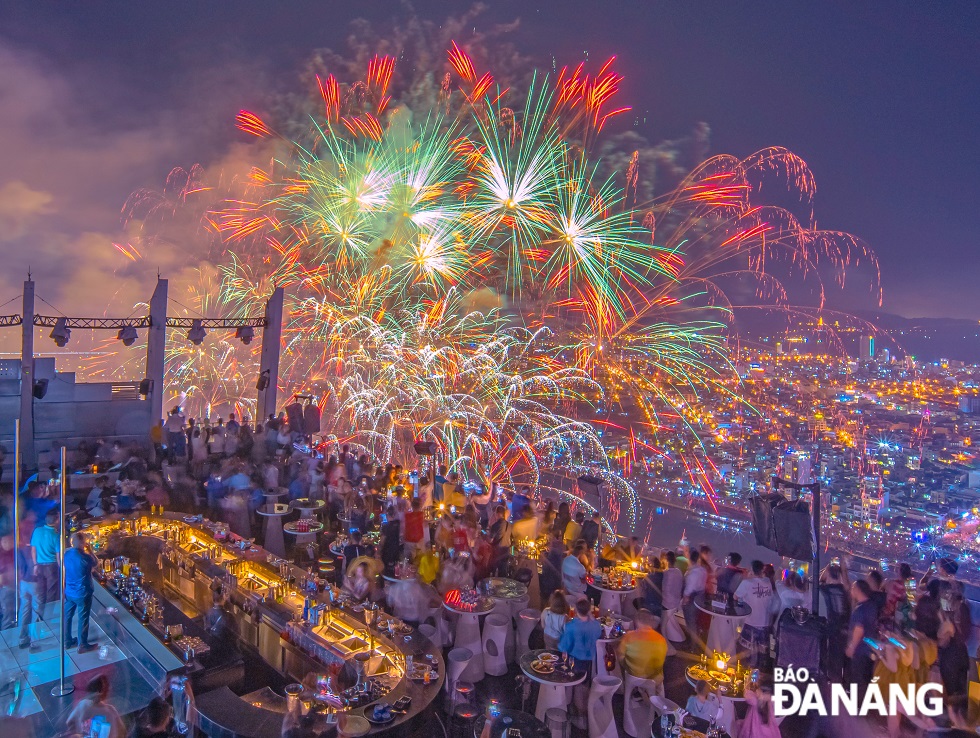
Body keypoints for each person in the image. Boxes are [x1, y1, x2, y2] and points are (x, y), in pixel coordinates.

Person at [735, 560, 778, 668]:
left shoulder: (747, 583)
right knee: (761, 658)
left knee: (746, 656)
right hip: (766, 625)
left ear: (752, 570)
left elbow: (735, 597)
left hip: (751, 623)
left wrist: (746, 579)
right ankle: (756, 680)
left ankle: (746, 680)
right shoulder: (767, 581)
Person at [64, 531, 99, 652]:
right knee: (83, 618)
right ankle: (82, 645)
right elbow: (96, 563)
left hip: (69, 592)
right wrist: (90, 550)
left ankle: (67, 641)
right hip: (82, 592)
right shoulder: (85, 557)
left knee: (67, 616)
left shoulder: (66, 554)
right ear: (83, 543)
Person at [845, 579, 879, 692]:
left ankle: (857, 705)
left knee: (858, 681)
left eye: (852, 588)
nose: (851, 591)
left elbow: (859, 629)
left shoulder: (859, 610)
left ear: (857, 590)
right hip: (870, 650)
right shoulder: (872, 605)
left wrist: (851, 647)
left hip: (860, 650)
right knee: (867, 679)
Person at [617, 609, 667, 682]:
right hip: (654, 675)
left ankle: (623, 681)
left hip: (634, 673)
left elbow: (620, 652)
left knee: (619, 653)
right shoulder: (661, 639)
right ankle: (650, 689)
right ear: (651, 622)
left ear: (637, 622)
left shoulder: (629, 636)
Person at [30, 507, 61, 622]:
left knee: (41, 594)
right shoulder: (56, 535)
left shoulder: (37, 530)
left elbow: (33, 550)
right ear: (57, 520)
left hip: (39, 567)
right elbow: (59, 556)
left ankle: (39, 617)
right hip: (51, 567)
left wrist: (35, 565)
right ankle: (47, 619)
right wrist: (62, 569)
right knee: (51, 594)